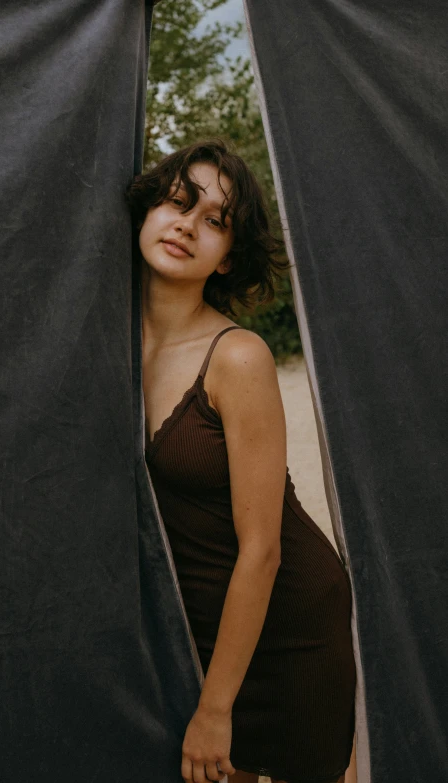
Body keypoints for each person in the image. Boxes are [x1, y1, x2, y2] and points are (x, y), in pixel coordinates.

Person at [127, 140, 356, 783]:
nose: (187, 224)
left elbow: (263, 548)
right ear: (146, 213)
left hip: (285, 623)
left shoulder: (237, 356)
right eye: (177, 202)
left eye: (215, 221)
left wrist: (216, 706)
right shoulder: (101, 342)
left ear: (227, 259)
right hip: (196, 631)